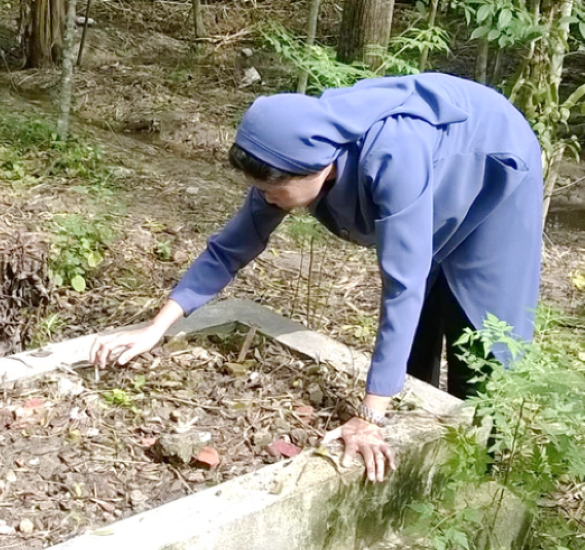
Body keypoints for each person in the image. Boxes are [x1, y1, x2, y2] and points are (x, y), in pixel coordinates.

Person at [90, 73, 543, 484]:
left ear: (321, 168)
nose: (264, 199)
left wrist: (367, 418)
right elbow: (229, 248)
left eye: (271, 189)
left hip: (491, 167)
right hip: (435, 169)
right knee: (420, 330)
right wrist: (155, 328)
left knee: (480, 330)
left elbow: (401, 284)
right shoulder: (289, 150)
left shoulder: (392, 158)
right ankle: (416, 443)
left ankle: (485, 471)